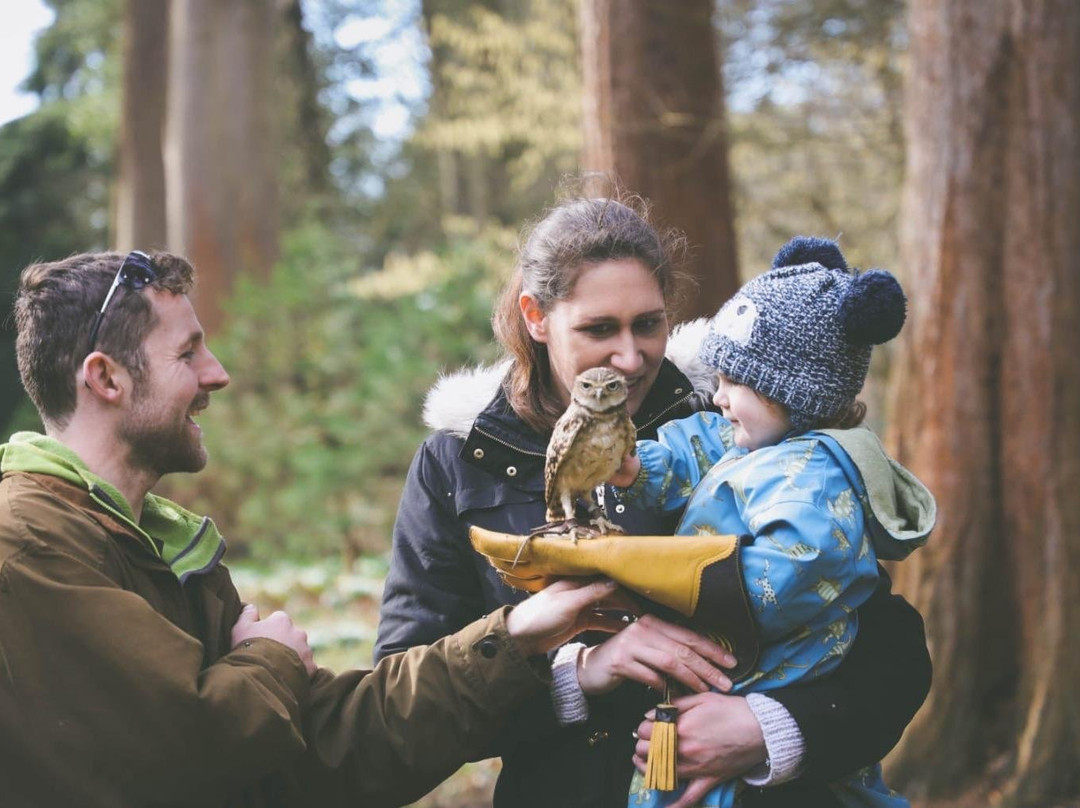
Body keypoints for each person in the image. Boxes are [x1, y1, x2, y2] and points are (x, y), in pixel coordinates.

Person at [0, 249, 638, 808]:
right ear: (105, 377)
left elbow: (322, 748)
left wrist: (519, 637)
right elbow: (183, 755)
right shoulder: (27, 545)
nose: (217, 373)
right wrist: (268, 660)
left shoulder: (163, 544)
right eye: (188, 353)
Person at [375, 195, 934, 808]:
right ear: (536, 317)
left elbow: (887, 646)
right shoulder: (461, 462)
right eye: (598, 329)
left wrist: (773, 729)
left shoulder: (737, 427)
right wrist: (582, 673)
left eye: (648, 324)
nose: (630, 357)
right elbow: (405, 702)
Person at [610, 236, 936, 807]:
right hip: (726, 665)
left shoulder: (814, 476)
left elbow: (793, 568)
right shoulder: (744, 441)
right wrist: (636, 466)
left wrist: (680, 592)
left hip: (769, 671)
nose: (719, 396)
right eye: (721, 378)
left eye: (738, 384)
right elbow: (686, 452)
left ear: (797, 394)